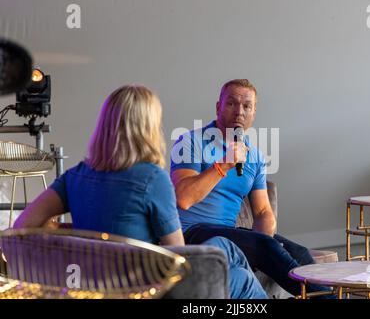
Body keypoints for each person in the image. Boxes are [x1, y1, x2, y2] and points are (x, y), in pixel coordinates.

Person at [13, 84, 267, 299]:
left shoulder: (75, 175)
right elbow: (177, 254)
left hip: (95, 286)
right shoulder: (152, 178)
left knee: (225, 245)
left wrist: (80, 234)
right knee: (242, 278)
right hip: (147, 288)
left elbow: (22, 226)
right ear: (148, 127)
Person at [170, 79, 332, 297]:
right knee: (264, 245)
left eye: (247, 106)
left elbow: (263, 211)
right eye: (231, 104)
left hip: (230, 234)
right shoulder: (189, 142)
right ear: (218, 107)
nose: (239, 112)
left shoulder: (254, 156)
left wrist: (263, 244)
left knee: (299, 253)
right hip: (192, 232)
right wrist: (224, 164)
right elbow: (183, 197)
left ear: (254, 113)